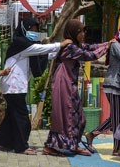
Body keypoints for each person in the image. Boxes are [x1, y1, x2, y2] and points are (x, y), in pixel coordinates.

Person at [0, 18, 69, 155]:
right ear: (23, 29)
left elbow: (43, 54)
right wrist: (60, 45)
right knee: (22, 117)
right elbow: (38, 49)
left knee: (11, 115)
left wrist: (59, 51)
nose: (33, 32)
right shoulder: (20, 43)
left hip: (13, 86)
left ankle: (2, 142)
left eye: (35, 30)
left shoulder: (27, 47)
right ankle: (21, 146)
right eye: (30, 29)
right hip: (13, 87)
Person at [43, 20, 111, 156]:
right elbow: (89, 55)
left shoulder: (74, 44)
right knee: (67, 116)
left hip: (69, 83)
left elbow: (90, 47)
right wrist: (106, 48)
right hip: (64, 85)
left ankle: (72, 144)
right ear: (74, 32)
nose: (83, 34)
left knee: (76, 117)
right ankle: (54, 146)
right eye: (80, 32)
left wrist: (107, 43)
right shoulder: (69, 47)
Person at [86, 20, 120, 159]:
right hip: (113, 84)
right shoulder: (115, 44)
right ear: (119, 31)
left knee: (116, 117)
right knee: (118, 118)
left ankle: (92, 134)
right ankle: (115, 147)